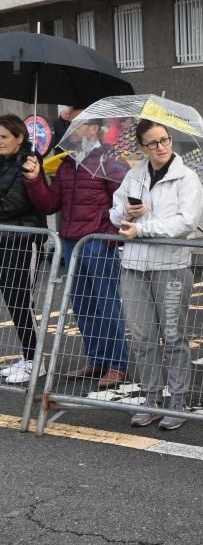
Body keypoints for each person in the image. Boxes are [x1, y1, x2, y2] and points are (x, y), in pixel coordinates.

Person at [23, 119, 130, 389]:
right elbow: (50, 204)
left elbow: (124, 199)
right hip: (71, 241)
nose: (72, 132)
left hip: (96, 242)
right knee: (82, 304)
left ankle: (118, 364)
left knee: (107, 303)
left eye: (78, 126)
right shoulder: (67, 163)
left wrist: (107, 235)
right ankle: (97, 358)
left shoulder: (109, 159)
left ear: (94, 129)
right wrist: (35, 179)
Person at [110, 120, 203, 430]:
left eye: (164, 140)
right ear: (142, 147)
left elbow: (186, 222)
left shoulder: (187, 178)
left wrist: (144, 227)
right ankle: (152, 397)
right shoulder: (133, 176)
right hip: (133, 266)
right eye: (153, 143)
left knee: (175, 335)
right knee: (142, 337)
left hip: (172, 267)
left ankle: (178, 399)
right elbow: (113, 214)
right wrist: (127, 212)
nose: (161, 147)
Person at [0, 115, 46, 385]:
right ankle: (28, 357)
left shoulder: (29, 163)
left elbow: (14, 204)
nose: (0, 142)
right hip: (4, 239)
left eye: (4, 137)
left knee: (21, 302)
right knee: (11, 302)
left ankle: (35, 359)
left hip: (23, 241)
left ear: (19, 138)